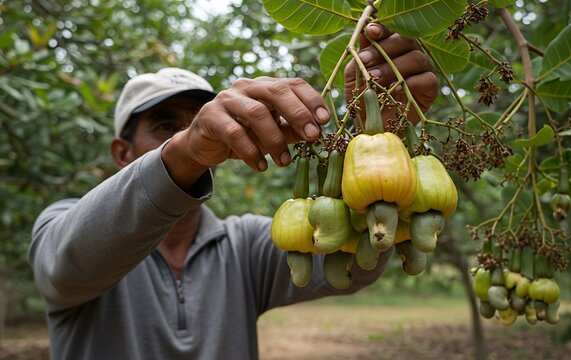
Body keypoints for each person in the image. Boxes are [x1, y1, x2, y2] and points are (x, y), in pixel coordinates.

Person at [28, 23, 439, 359]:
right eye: (165, 126)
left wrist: (384, 137)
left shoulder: (244, 246)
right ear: (122, 152)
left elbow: (352, 262)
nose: (190, 136)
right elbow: (65, 266)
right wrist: (187, 151)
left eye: (198, 122)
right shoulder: (62, 224)